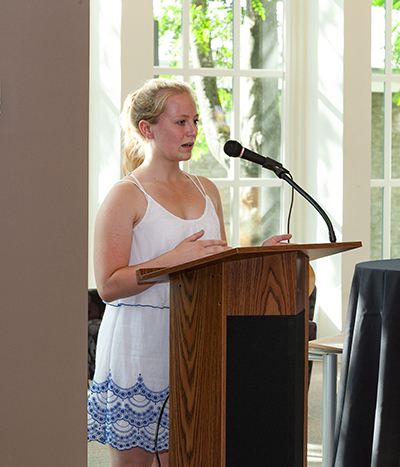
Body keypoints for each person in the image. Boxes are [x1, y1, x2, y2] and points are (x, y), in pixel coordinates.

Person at [87, 78, 291, 467]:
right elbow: (109, 285)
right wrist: (169, 261)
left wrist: (255, 261)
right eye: (181, 122)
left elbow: (215, 267)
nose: (193, 131)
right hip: (140, 344)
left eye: (195, 120)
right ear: (147, 129)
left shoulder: (207, 189)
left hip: (200, 340)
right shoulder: (125, 195)